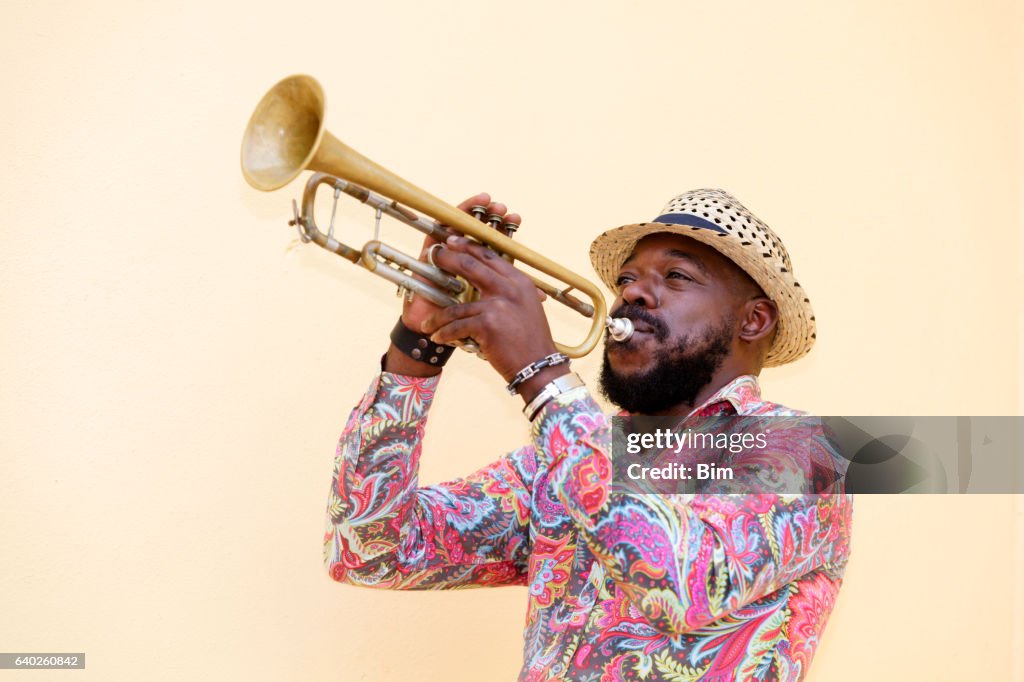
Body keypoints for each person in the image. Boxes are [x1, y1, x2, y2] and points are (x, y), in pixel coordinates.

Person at [324, 188, 853, 681]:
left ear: (754, 321)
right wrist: (418, 346)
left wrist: (541, 375)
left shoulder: (807, 453)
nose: (633, 295)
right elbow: (372, 550)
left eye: (675, 277)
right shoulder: (569, 455)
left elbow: (679, 578)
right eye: (626, 279)